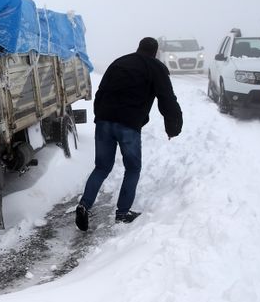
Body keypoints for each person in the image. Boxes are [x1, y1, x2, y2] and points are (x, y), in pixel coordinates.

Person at [75, 37, 182, 231]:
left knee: (101, 167)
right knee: (132, 168)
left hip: (104, 121)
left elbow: (101, 92)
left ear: (138, 47)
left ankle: (84, 205)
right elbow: (167, 98)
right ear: (155, 52)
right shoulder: (156, 68)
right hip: (128, 125)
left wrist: (100, 117)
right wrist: (172, 127)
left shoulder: (119, 62)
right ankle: (122, 213)